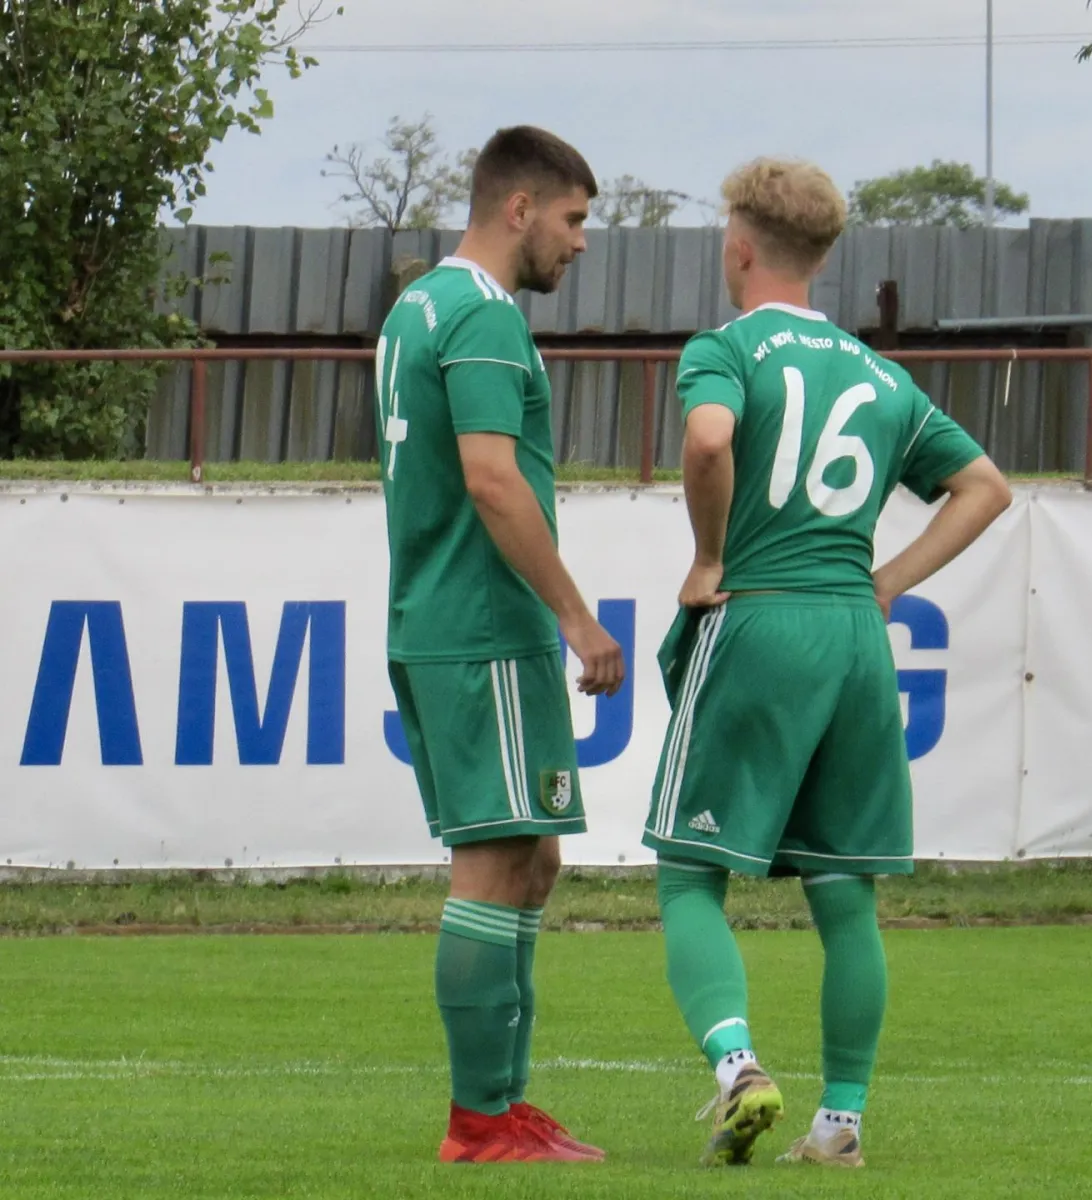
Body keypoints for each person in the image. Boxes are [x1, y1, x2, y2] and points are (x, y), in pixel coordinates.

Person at [642, 158, 1013, 1169]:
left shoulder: (728, 348)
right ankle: (840, 1125)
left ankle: (737, 1068)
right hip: (854, 635)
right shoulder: (881, 377)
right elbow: (985, 487)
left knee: (689, 873)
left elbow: (708, 441)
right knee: (845, 894)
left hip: (762, 618)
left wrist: (708, 557)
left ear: (739, 246)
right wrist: (885, 583)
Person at [375, 124, 625, 1165]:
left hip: (447, 621)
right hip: (481, 627)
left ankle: (506, 1105)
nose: (580, 242)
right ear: (518, 208)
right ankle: (479, 1121)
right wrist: (576, 613)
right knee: (492, 864)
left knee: (533, 855)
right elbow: (490, 476)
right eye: (572, 219)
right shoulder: (482, 315)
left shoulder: (417, 307)